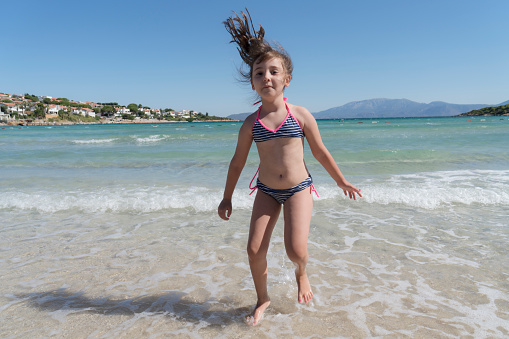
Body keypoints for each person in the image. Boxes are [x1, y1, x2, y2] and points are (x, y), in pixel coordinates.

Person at [218, 10, 362, 326]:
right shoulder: (250, 124)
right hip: (267, 191)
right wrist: (227, 197)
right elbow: (237, 163)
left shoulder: (300, 115)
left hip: (298, 189)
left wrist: (342, 181)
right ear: (253, 83)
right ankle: (262, 298)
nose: (266, 77)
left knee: (296, 250)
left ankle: (302, 273)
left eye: (273, 71)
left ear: (287, 79)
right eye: (259, 73)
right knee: (254, 249)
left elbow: (320, 153)